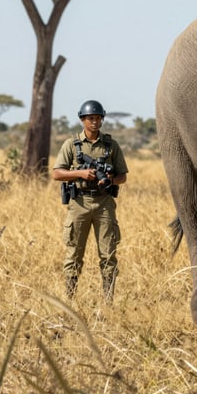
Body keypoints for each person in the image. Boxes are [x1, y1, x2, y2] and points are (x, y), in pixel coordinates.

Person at [52, 100, 128, 301]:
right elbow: (57, 173)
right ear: (82, 120)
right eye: (90, 118)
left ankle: (108, 301)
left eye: (98, 118)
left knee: (108, 255)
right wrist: (81, 174)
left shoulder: (111, 145)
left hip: (104, 203)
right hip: (79, 203)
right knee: (74, 254)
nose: (95, 122)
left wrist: (109, 179)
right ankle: (70, 300)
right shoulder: (72, 144)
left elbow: (123, 176)